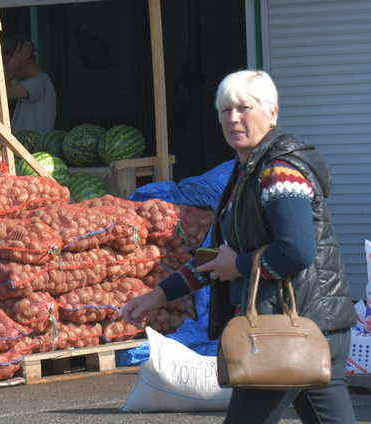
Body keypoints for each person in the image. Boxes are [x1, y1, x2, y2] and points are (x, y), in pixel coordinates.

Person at [120, 70, 356, 423]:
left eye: (244, 108)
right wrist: (158, 296)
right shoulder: (245, 171)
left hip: (291, 327)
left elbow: (296, 251)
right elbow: (215, 255)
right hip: (309, 326)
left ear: (272, 112)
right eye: (224, 110)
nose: (232, 119)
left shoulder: (279, 173)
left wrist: (241, 266)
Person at [0, 35, 57, 134]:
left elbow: (0, 94)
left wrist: (14, 64)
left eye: (7, 64)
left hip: (34, 147)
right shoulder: (23, 81)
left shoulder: (39, 82)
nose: (5, 68)